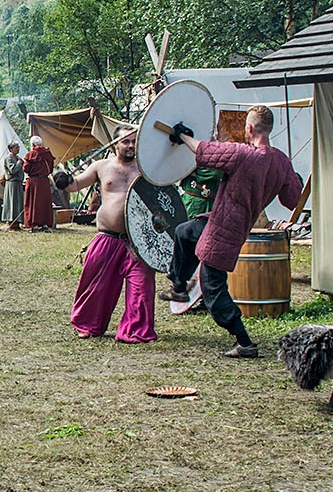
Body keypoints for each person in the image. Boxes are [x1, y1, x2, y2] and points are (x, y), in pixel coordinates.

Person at [161, 105, 302, 358]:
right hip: (221, 220)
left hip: (224, 231)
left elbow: (204, 151)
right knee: (185, 232)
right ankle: (179, 285)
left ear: (248, 128)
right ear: (269, 128)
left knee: (214, 292)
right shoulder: (282, 161)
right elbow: (292, 200)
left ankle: (245, 342)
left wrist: (182, 135)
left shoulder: (243, 154)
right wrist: (294, 178)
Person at [57, 126, 156, 343]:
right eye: (125, 142)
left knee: (142, 286)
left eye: (133, 141)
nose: (130, 146)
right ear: (115, 144)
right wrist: (63, 180)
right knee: (96, 286)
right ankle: (88, 325)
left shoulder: (147, 168)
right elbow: (76, 185)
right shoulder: (101, 167)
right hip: (107, 238)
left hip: (137, 239)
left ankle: (136, 330)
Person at [23, 136, 55, 231]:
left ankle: (33, 223)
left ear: (32, 144)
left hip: (34, 181)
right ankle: (44, 223)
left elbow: (26, 168)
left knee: (33, 202)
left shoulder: (31, 154)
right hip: (44, 181)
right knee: (44, 202)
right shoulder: (48, 154)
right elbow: (51, 168)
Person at [1, 141, 24, 231]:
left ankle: (17, 221)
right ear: (11, 149)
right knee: (12, 202)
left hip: (18, 183)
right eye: (16, 147)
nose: (18, 149)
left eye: (18, 147)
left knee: (18, 203)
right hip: (12, 183)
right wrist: (19, 163)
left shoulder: (18, 158)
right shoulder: (8, 158)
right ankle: (11, 222)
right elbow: (12, 170)